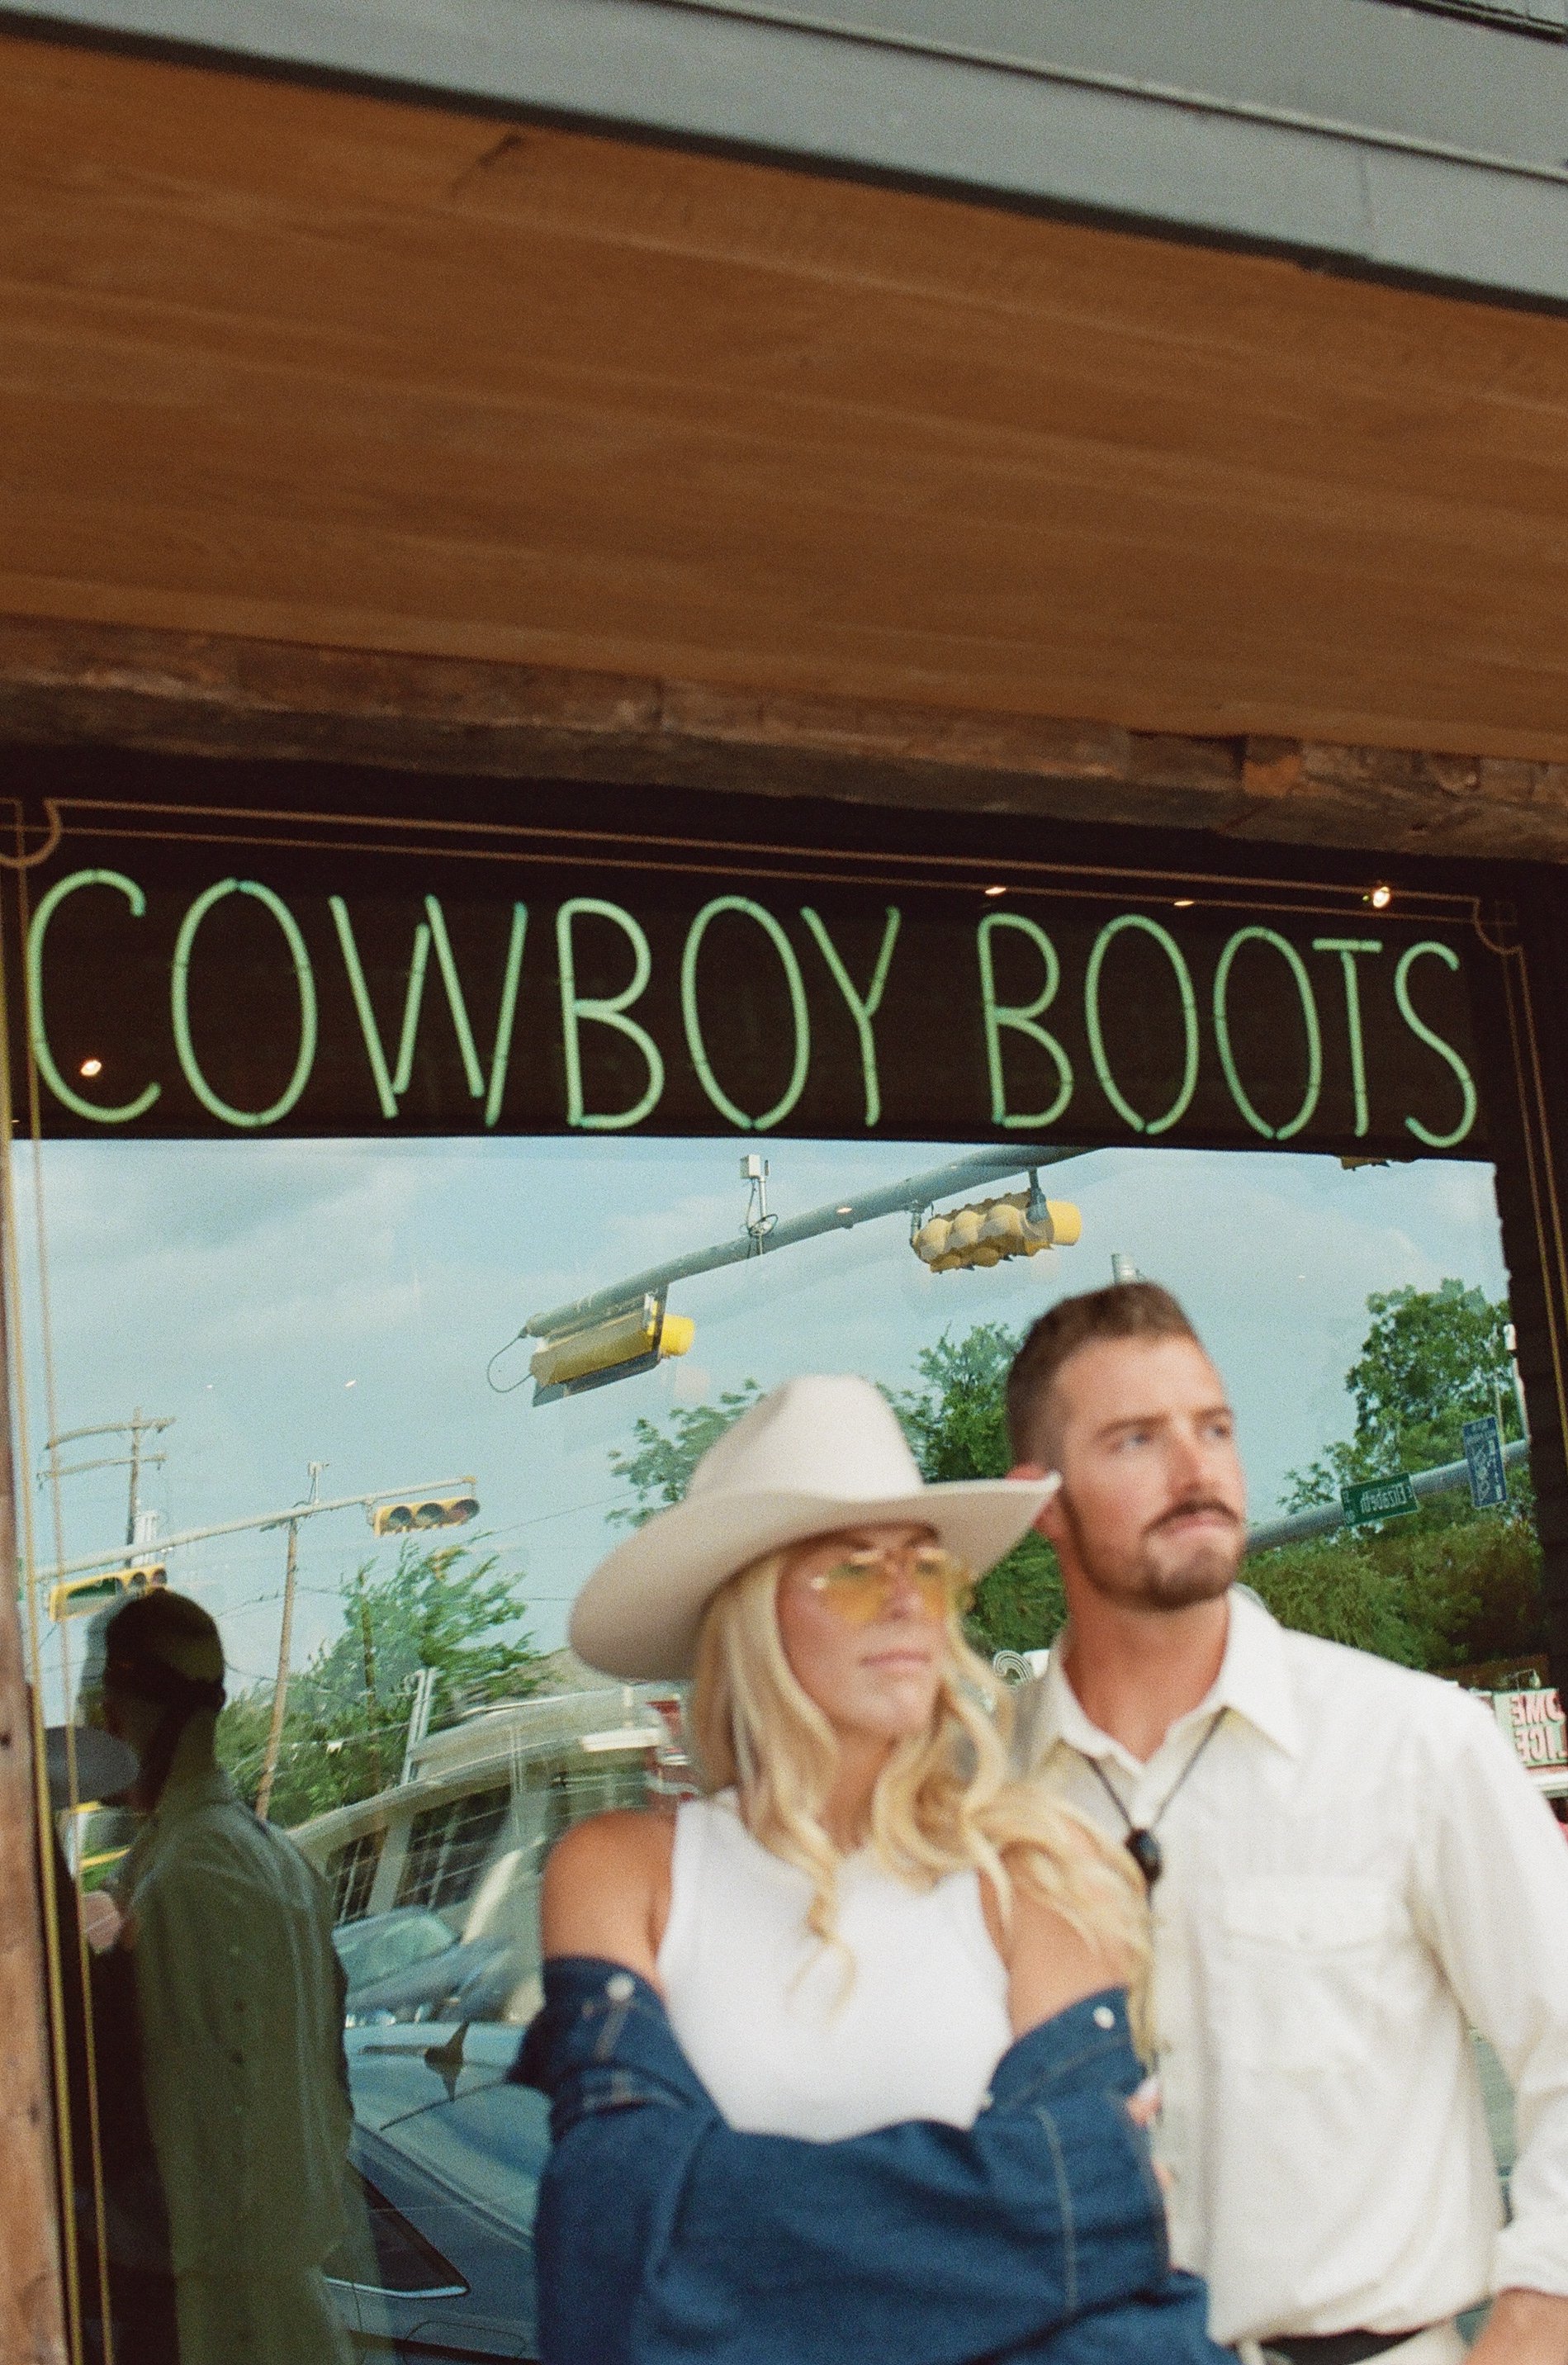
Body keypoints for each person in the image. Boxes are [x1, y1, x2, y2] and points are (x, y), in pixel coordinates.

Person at [521, 1372, 1234, 2365]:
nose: (906, 1600)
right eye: (856, 1570)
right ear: (752, 1613)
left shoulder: (1033, 1870)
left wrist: (730, 2251)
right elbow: (609, 2256)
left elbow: (1124, 2320)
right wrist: (1041, 2211)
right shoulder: (623, 1871)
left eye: (928, 1569)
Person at [1005, 1281, 1568, 2365]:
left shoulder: (1412, 1742)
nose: (1196, 1470)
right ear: (1043, 1503)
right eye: (1135, 1439)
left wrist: (1538, 2317)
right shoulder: (981, 1798)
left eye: (1213, 1428)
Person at [95, 1589, 355, 2365]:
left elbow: (219, 2140)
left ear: (126, 1715)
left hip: (229, 2320)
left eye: (107, 1706)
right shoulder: (275, 1859)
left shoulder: (194, 1874)